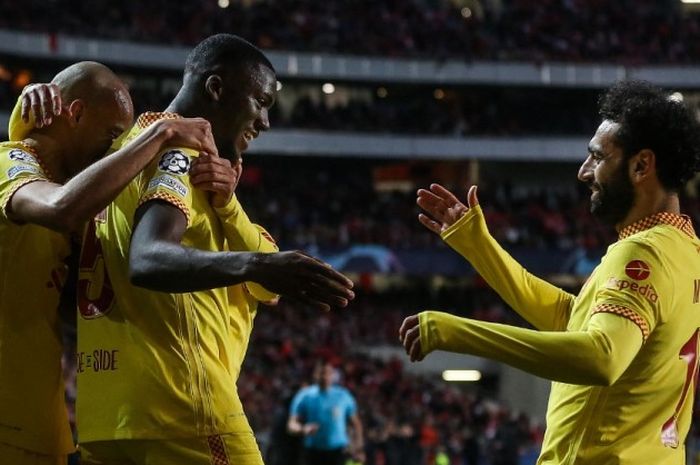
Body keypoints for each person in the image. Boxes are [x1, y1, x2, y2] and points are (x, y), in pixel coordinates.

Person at [24, 35, 356, 465]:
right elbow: (148, 259)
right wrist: (260, 265)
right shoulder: (179, 153)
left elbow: (263, 282)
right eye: (260, 101)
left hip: (105, 418)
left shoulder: (118, 156)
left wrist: (233, 212)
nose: (266, 120)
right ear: (216, 89)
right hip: (181, 407)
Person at [400, 80, 700, 464]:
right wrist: (479, 247)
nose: (584, 171)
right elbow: (572, 318)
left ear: (641, 165)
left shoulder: (641, 251)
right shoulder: (685, 250)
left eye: (597, 157)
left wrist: (456, 331)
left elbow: (602, 358)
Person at [0, 62, 220, 465]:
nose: (114, 150)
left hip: (40, 426)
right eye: (112, 136)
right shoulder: (9, 161)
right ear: (77, 114)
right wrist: (161, 132)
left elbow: (75, 309)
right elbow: (61, 206)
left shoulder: (67, 203)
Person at [288, 361, 365, 465]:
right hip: (313, 452)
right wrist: (303, 429)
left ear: (333, 375)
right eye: (321, 373)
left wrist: (359, 448)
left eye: (328, 373)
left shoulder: (343, 396)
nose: (324, 376)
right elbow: (291, 424)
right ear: (315, 375)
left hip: (338, 451)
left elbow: (356, 424)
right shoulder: (305, 396)